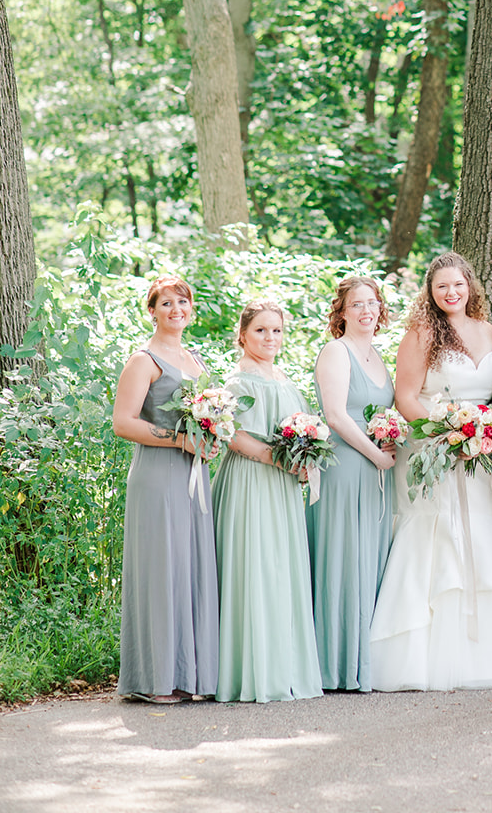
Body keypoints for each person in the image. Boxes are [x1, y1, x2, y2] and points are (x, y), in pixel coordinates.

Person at [369, 252, 492, 690]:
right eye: (441, 287)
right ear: (430, 294)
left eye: (458, 285)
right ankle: (423, 654)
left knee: (483, 533)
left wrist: (486, 434)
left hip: (482, 453)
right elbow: (407, 396)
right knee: (441, 535)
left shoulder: (489, 331)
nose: (451, 293)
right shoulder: (421, 334)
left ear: (470, 286)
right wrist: (447, 433)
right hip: (436, 450)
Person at [112, 275, 219, 704]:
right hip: (158, 475)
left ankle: (188, 673)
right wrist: (178, 439)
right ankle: (155, 677)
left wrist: (211, 435)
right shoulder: (144, 360)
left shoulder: (193, 358)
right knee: (162, 570)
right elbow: (124, 422)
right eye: (166, 303)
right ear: (152, 310)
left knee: (189, 567)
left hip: (194, 476)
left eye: (183, 302)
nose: (176, 309)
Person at [211, 300, 322, 703]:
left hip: (285, 487)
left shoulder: (285, 378)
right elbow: (230, 433)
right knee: (253, 566)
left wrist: (306, 459)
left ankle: (283, 666)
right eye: (261, 330)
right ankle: (248, 671)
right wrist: (274, 457)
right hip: (251, 482)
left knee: (282, 569)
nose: (270, 338)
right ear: (242, 335)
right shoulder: (237, 381)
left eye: (276, 330)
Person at [307, 274, 396, 692]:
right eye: (357, 304)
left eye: (372, 302)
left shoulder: (378, 355)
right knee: (343, 560)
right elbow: (337, 416)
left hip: (377, 471)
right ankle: (335, 667)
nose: (367, 310)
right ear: (341, 313)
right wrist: (377, 454)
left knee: (370, 559)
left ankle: (364, 662)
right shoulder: (335, 351)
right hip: (346, 467)